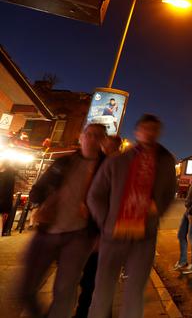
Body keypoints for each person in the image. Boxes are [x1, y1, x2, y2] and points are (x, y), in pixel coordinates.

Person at [87, 114, 176, 318]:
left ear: (159, 133)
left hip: (144, 237)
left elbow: (169, 194)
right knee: (103, 289)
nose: (149, 133)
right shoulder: (117, 161)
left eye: (154, 129)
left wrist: (158, 209)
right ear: (137, 132)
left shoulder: (166, 162)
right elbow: (95, 195)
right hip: (114, 235)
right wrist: (106, 222)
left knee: (134, 292)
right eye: (145, 128)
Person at [17, 123, 106, 318]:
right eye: (88, 134)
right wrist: (40, 202)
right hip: (47, 231)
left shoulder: (107, 169)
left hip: (80, 236)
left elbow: (112, 203)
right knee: (25, 289)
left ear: (103, 141)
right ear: (81, 137)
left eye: (97, 136)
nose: (92, 139)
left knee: (65, 291)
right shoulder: (63, 162)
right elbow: (36, 191)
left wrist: (100, 232)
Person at [74, 134, 123, 318]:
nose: (102, 147)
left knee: (96, 278)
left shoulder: (116, 165)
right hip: (95, 229)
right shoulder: (103, 163)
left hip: (106, 232)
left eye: (105, 143)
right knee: (91, 278)